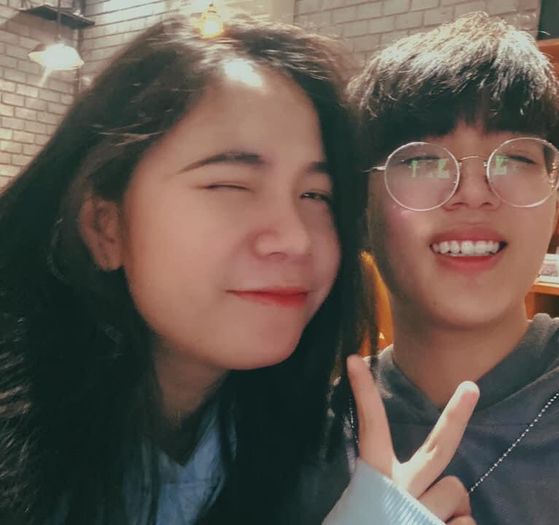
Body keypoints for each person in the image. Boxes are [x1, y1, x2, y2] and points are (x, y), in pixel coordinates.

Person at [0, 15, 477, 525]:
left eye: (316, 195)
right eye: (230, 185)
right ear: (105, 227)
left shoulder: (304, 446)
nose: (295, 239)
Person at [309, 12, 559, 524]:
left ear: (556, 199)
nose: (474, 193)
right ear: (361, 208)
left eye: (516, 158)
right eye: (422, 159)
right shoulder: (295, 442)